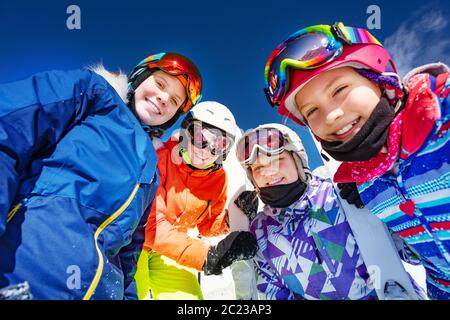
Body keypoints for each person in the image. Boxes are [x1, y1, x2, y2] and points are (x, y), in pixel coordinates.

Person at [263, 22, 450, 299]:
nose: (330, 115)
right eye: (311, 110)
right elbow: (418, 253)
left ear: (378, 77)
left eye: (339, 90)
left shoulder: (441, 123)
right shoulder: (369, 187)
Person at [0, 52, 202, 299]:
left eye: (173, 101)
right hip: (25, 275)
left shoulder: (150, 172)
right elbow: (9, 127)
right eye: (160, 84)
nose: (163, 99)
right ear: (139, 78)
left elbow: (127, 256)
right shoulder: (94, 94)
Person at [135, 101, 257, 300]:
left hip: (170, 251)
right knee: (129, 292)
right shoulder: (160, 158)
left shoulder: (218, 180)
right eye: (200, 137)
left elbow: (207, 225)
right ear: (185, 133)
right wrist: (208, 257)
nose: (205, 150)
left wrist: (229, 219)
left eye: (219, 144)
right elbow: (150, 224)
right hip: (135, 241)